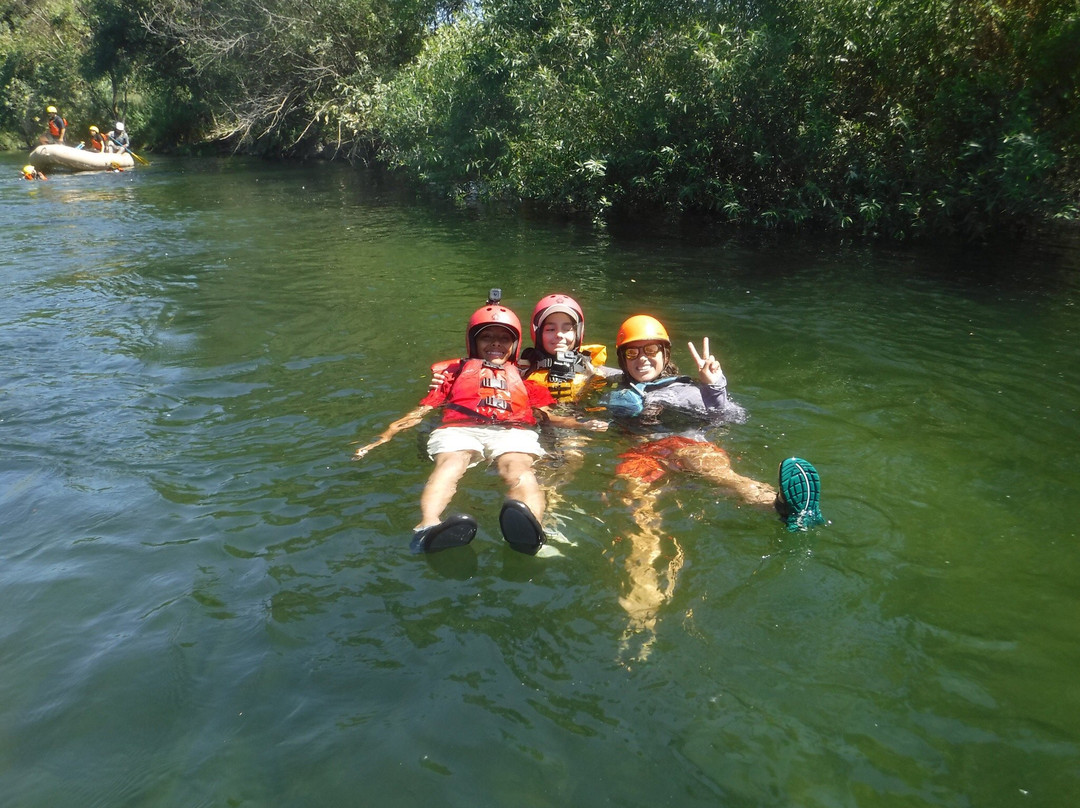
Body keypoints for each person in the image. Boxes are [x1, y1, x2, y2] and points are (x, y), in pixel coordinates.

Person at [602, 314, 825, 659]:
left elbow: (732, 417)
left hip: (687, 445)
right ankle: (641, 613)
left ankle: (781, 507)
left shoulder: (689, 388)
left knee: (722, 475)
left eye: (650, 350)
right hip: (642, 455)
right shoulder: (618, 391)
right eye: (632, 353)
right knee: (638, 519)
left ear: (664, 354)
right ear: (622, 360)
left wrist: (715, 384)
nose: (642, 358)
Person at [353, 292, 607, 555]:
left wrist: (581, 425)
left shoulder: (525, 380)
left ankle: (534, 529)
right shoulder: (453, 375)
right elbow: (421, 410)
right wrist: (384, 437)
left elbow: (546, 415)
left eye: (504, 338)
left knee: (518, 467)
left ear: (514, 344)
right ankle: (427, 526)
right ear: (474, 342)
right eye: (487, 337)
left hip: (511, 429)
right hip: (460, 428)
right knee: (452, 462)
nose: (495, 344)